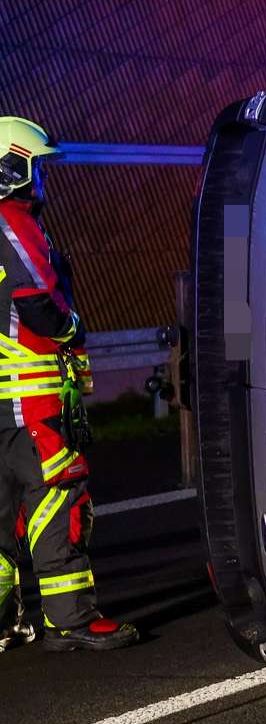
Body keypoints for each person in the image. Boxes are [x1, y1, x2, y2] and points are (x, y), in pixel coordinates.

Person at [0, 116, 138, 650]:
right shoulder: (13, 221)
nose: (41, 181)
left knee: (4, 514)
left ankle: (7, 619)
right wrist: (73, 327)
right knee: (58, 500)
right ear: (11, 170)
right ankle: (70, 620)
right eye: (35, 169)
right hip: (30, 403)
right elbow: (36, 303)